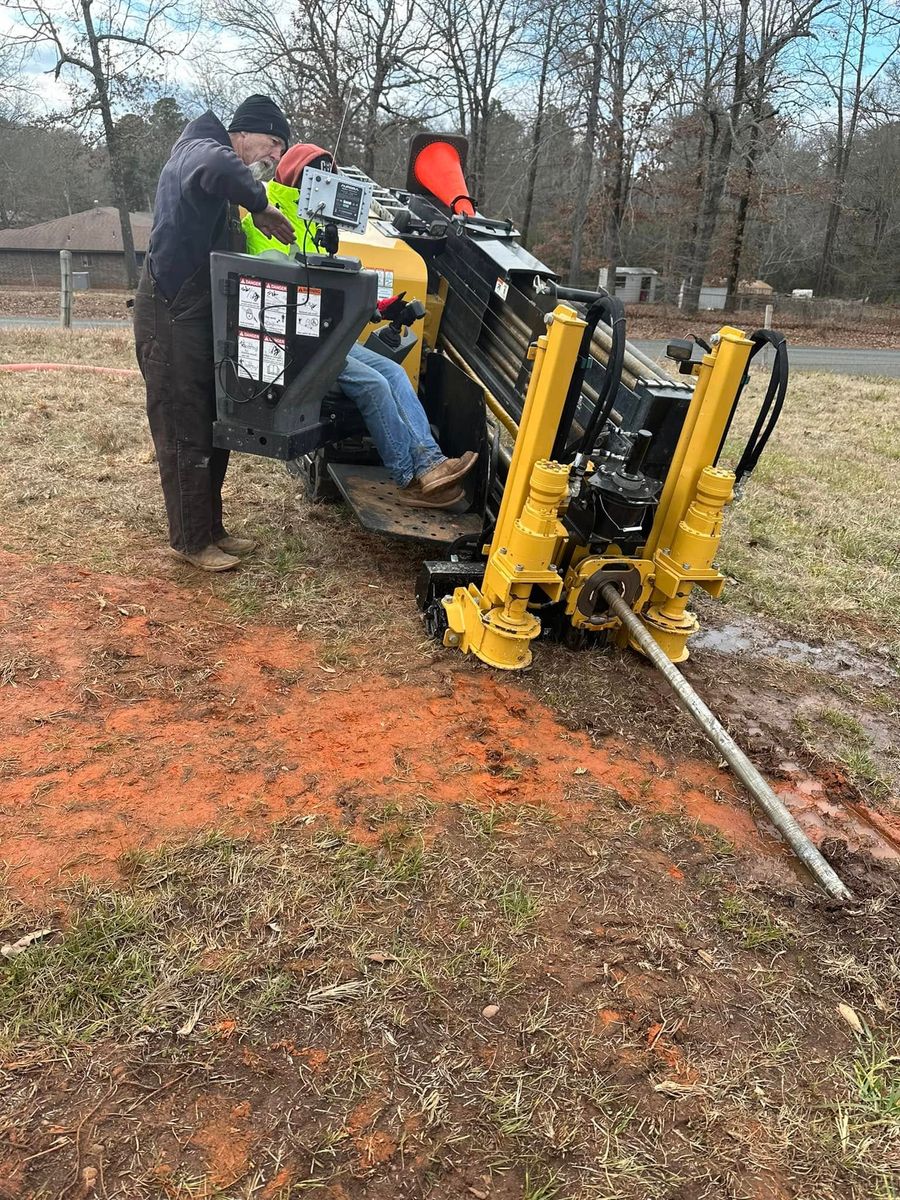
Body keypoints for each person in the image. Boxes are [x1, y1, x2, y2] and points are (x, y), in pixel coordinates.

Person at [241, 143, 478, 508]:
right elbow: (278, 288)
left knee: (395, 374)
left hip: (326, 335)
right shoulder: (266, 217)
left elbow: (330, 286)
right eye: (320, 179)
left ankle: (432, 464)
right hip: (297, 342)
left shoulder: (312, 218)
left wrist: (375, 307)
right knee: (375, 385)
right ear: (302, 179)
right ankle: (408, 478)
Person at [134, 96, 296, 572]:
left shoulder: (217, 172)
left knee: (211, 422)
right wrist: (261, 204)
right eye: (273, 144)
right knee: (184, 426)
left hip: (198, 315)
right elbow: (214, 164)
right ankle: (189, 541)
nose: (273, 157)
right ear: (245, 131)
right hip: (170, 316)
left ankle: (211, 529)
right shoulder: (197, 150)